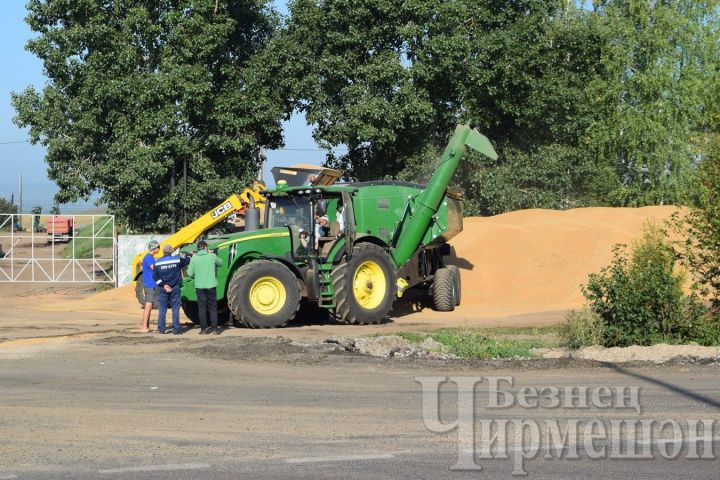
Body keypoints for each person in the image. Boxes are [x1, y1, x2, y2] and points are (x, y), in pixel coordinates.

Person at [187, 240, 223, 335]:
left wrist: (197, 276)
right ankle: (215, 329)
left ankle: (203, 330)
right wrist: (212, 254)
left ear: (198, 249)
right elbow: (221, 263)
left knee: (202, 308)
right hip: (211, 285)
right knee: (212, 307)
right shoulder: (212, 256)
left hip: (199, 286)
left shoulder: (194, 258)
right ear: (206, 247)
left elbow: (190, 273)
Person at [153, 244, 190, 334]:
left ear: (163, 252)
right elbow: (187, 261)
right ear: (171, 252)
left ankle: (161, 329)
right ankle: (176, 329)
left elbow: (155, 277)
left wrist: (163, 285)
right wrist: (189, 255)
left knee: (162, 309)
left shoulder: (157, 262)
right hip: (175, 288)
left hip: (163, 289)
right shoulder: (177, 260)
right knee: (175, 309)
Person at [140, 240, 160, 333]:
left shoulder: (149, 257)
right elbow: (154, 269)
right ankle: (144, 327)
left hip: (150, 284)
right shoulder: (149, 258)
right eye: (158, 247)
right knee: (148, 305)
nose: (159, 249)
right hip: (150, 284)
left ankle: (146, 326)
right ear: (154, 248)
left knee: (150, 305)